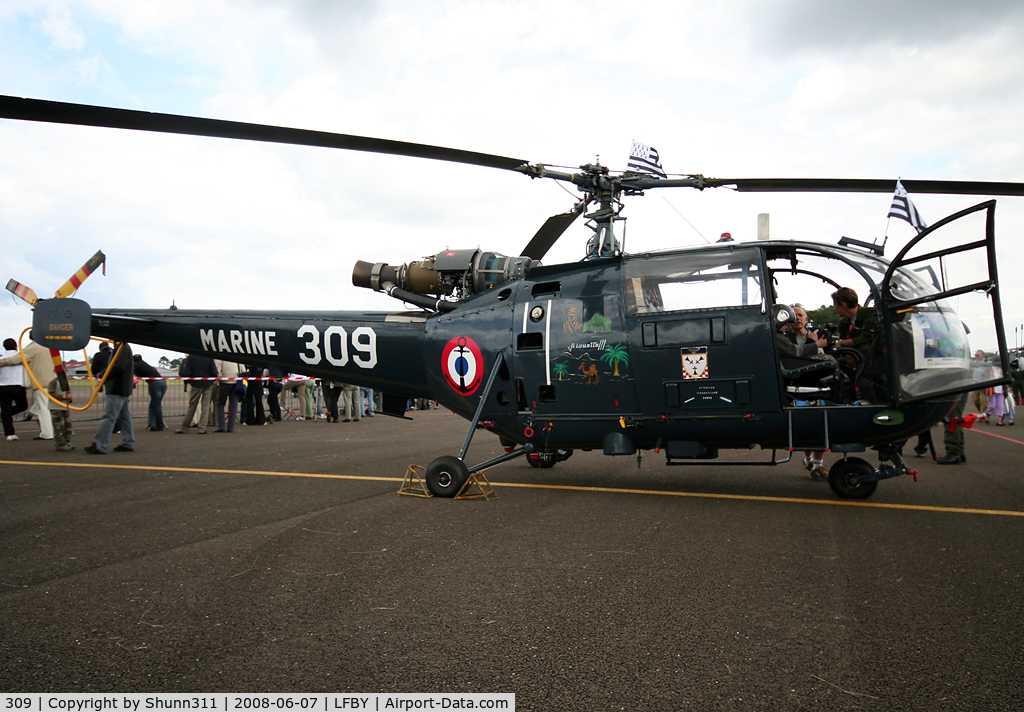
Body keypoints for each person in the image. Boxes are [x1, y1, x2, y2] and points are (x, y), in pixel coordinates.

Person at [775, 310, 832, 480]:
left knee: (821, 424)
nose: (796, 319)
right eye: (793, 316)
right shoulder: (784, 338)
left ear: (806, 319)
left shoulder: (819, 333)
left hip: (820, 382)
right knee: (810, 424)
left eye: (800, 315)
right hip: (799, 385)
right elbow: (796, 353)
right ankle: (809, 461)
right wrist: (815, 343)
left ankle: (817, 465)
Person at [84, 341, 136, 454]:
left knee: (109, 417)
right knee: (124, 417)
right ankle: (128, 442)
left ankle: (100, 445)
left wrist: (103, 374)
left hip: (116, 387)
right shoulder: (124, 347)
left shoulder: (121, 348)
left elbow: (119, 366)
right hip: (123, 387)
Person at [0, 336, 55, 441]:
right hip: (52, 380)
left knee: (43, 407)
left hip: (39, 382)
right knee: (43, 406)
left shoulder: (32, 348)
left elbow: (14, 360)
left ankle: (47, 433)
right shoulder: (50, 346)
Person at [175, 354, 218, 434]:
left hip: (196, 384)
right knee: (205, 406)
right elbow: (214, 372)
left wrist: (191, 381)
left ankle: (185, 428)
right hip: (208, 383)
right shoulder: (209, 357)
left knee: (192, 406)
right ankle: (202, 428)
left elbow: (186, 372)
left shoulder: (191, 358)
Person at [1, 337, 29, 441]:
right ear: (16, 346)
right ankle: (5, 414)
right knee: (23, 406)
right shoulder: (20, 357)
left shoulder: (1, 358)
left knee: (6, 411)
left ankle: (10, 433)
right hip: (18, 386)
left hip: (3, 386)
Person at [133, 354, 167, 431]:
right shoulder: (144, 364)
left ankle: (159, 425)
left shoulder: (136, 365)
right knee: (154, 404)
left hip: (154, 383)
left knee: (156, 405)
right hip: (162, 382)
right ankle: (152, 422)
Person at [938, 393, 970, 465]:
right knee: (955, 418)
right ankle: (959, 451)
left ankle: (953, 452)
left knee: (951, 419)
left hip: (955, 389)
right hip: (960, 387)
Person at [46, 373, 75, 451]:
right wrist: (61, 397)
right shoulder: (53, 382)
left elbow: (68, 394)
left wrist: (69, 399)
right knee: (59, 426)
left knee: (67, 426)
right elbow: (50, 394)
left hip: (64, 407)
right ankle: (60, 444)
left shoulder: (65, 383)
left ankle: (67, 442)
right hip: (56, 408)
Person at [213, 358, 242, 432]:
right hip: (236, 381)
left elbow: (217, 370)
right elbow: (242, 370)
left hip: (225, 382)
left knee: (220, 404)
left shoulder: (219, 357)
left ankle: (222, 426)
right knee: (233, 405)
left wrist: (220, 378)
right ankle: (231, 426)